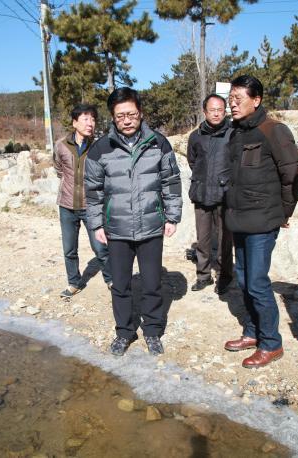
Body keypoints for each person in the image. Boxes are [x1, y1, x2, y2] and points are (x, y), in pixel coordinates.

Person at [84, 87, 182, 357]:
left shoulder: (158, 142)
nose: (126, 120)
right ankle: (124, 332)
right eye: (120, 116)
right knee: (121, 284)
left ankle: (152, 330)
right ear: (112, 118)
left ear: (140, 113)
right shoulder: (100, 149)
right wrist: (96, 225)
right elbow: (93, 191)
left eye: (131, 114)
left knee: (152, 283)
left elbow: (171, 181)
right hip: (117, 229)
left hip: (152, 226)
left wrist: (172, 216)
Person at [222, 75, 298, 369]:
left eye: (238, 99)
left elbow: (291, 176)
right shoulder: (235, 133)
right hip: (239, 220)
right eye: (231, 99)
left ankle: (271, 343)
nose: (232, 105)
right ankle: (253, 332)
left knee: (256, 282)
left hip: (263, 221)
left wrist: (284, 213)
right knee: (243, 280)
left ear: (256, 100)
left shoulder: (274, 131)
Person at [53, 103, 112, 298]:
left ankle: (111, 279)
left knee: (100, 247)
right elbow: (58, 168)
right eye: (86, 119)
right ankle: (74, 282)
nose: (91, 123)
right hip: (67, 205)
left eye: (93, 119)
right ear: (75, 122)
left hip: (91, 206)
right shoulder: (61, 145)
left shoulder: (99, 146)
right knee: (69, 248)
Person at [187, 94, 234, 294]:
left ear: (225, 112)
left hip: (225, 194)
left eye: (220, 110)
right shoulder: (195, 136)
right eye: (212, 110)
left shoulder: (233, 133)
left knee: (225, 239)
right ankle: (203, 275)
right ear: (204, 111)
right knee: (203, 238)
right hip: (202, 192)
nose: (216, 113)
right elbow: (192, 160)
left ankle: (225, 276)